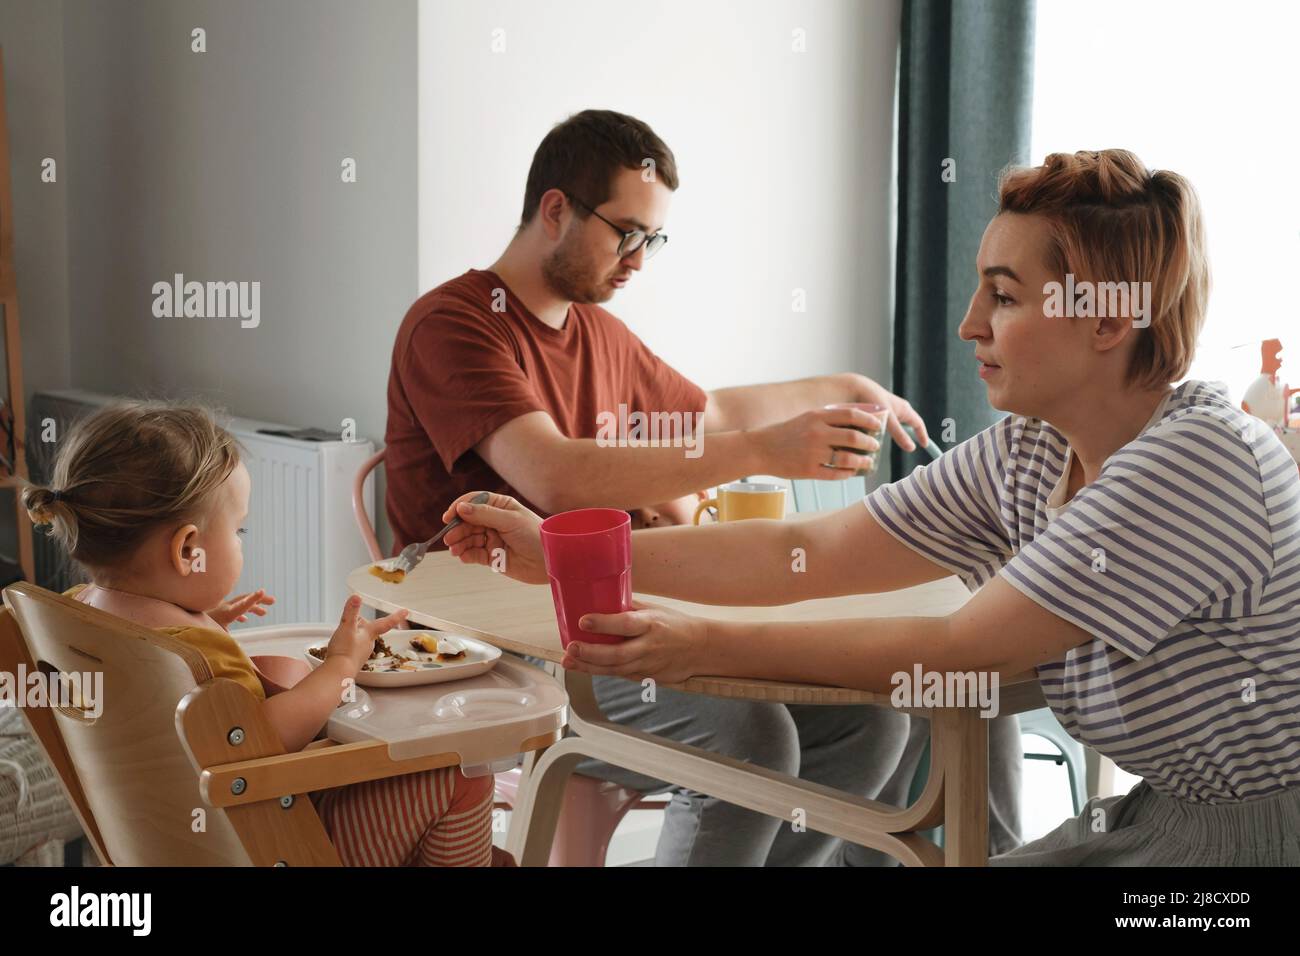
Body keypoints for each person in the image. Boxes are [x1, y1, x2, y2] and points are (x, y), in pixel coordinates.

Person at [443, 149, 1300, 865]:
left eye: (1003, 296)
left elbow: (960, 647)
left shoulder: (1197, 460)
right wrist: (550, 554)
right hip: (1162, 824)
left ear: (1108, 322)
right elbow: (808, 550)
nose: (968, 325)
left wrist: (703, 641)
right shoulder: (1034, 450)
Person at [385, 108, 1025, 865]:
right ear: (555, 209)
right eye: (626, 232)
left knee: (874, 721)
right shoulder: (454, 325)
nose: (638, 261)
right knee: (751, 737)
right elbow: (554, 476)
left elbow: (710, 410)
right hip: (495, 637)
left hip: (608, 613)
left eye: (651, 240)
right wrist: (758, 450)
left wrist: (848, 387)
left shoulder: (599, 333)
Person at [19, 402, 504, 867]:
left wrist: (206, 623)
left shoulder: (77, 613)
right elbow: (268, 742)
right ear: (189, 550)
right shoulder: (196, 655)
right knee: (460, 775)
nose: (241, 541)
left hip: (163, 845)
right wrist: (341, 665)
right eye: (239, 531)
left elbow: (152, 677)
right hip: (269, 846)